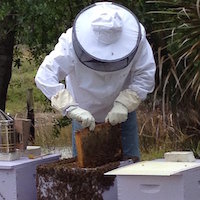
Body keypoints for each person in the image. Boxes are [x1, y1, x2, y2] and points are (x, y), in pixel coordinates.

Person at [35, 1, 156, 161]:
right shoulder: (70, 43)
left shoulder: (136, 37)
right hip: (84, 117)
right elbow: (45, 75)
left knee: (129, 175)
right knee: (85, 177)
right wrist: (71, 108)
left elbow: (145, 73)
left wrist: (124, 104)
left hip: (122, 115)